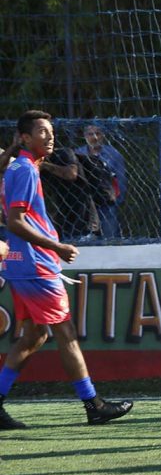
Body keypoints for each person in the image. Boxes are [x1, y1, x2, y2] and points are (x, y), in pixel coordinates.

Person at [0, 110, 132, 429]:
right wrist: (57, 247)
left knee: (34, 336)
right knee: (66, 333)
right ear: (25, 138)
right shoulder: (25, 171)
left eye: (51, 131)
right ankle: (93, 405)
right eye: (42, 131)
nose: (51, 136)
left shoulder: (22, 166)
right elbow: (16, 222)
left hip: (21, 264)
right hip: (36, 264)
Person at [75, 124, 128, 239]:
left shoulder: (113, 154)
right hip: (85, 204)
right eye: (90, 134)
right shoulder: (78, 154)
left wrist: (117, 201)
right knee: (85, 239)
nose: (94, 137)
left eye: (98, 133)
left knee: (110, 238)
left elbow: (121, 179)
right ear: (85, 136)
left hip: (107, 203)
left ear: (103, 135)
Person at [41, 147, 100, 241]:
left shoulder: (64, 153)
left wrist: (45, 165)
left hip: (84, 217)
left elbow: (71, 174)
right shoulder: (33, 165)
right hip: (63, 219)